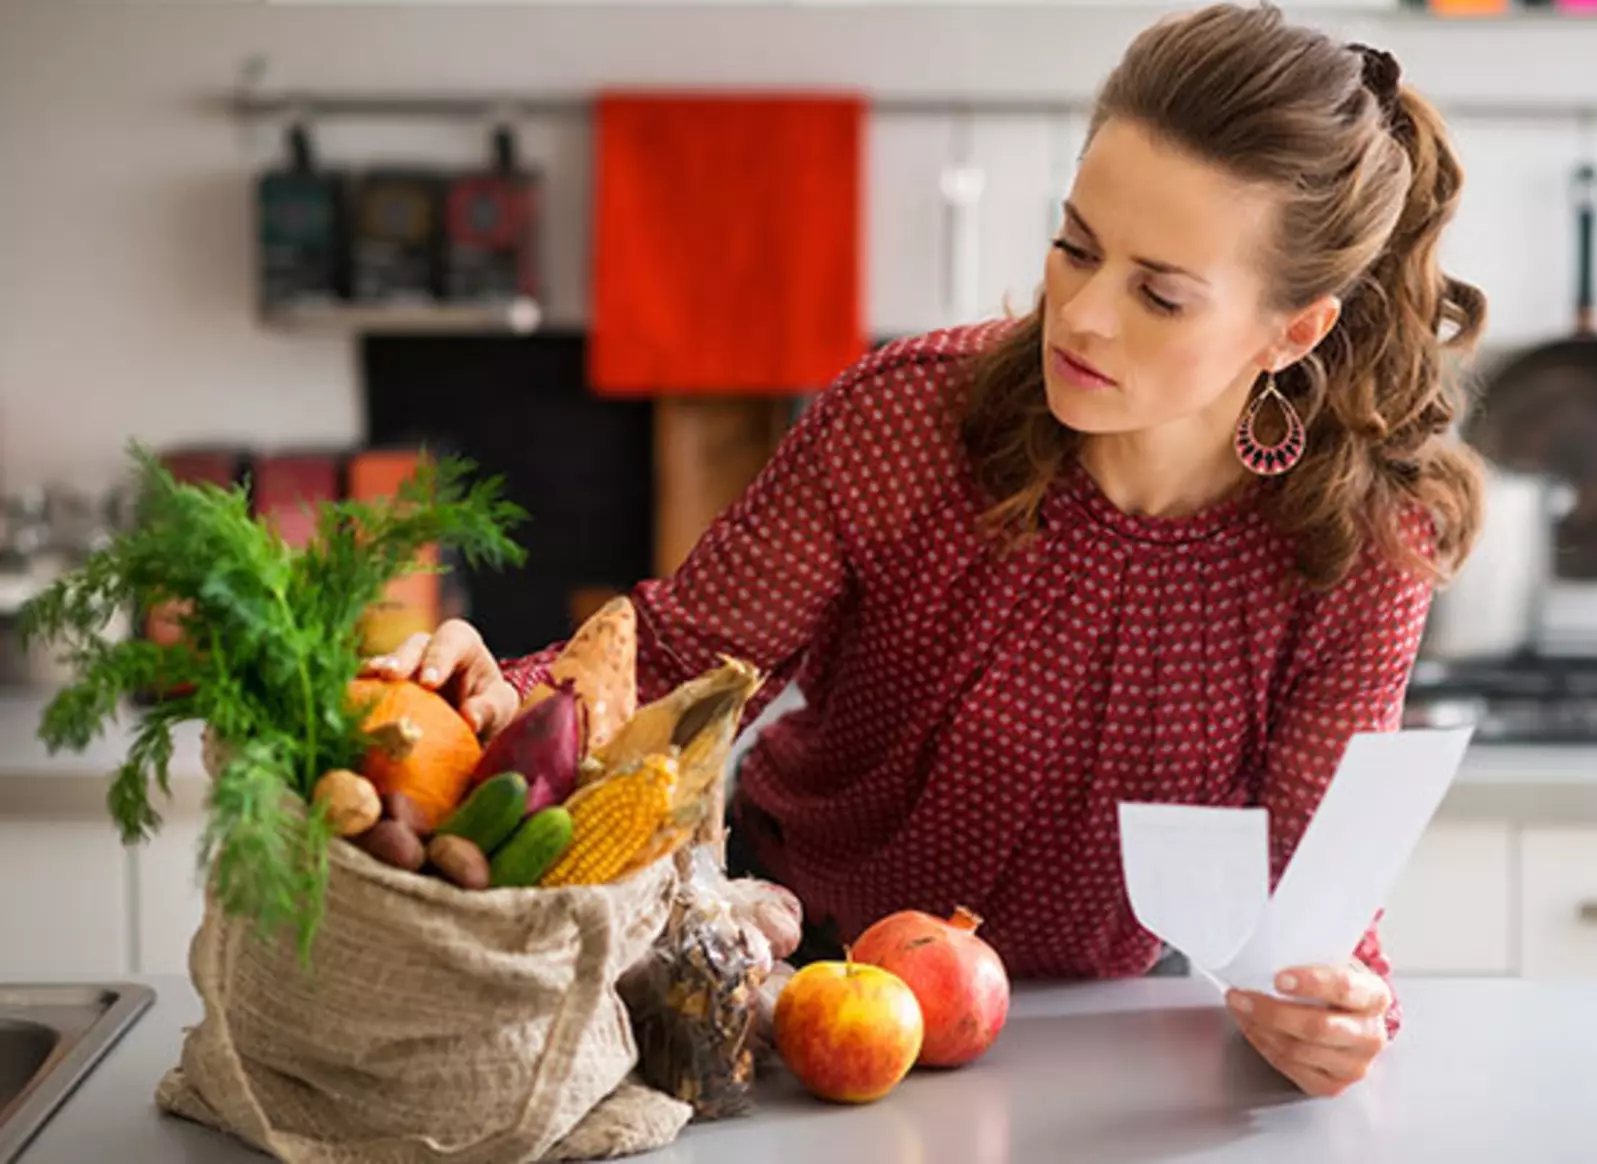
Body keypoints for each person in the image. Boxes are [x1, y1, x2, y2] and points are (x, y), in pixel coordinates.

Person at [364, 2, 1487, 1099]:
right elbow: (675, 658)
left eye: (1159, 293)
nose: (1084, 316)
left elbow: (1316, 889)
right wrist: (485, 700)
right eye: (1076, 247)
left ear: (1294, 330)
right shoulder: (908, 419)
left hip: (1095, 1036)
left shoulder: (1367, 541)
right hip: (799, 976)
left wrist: (1331, 1009)